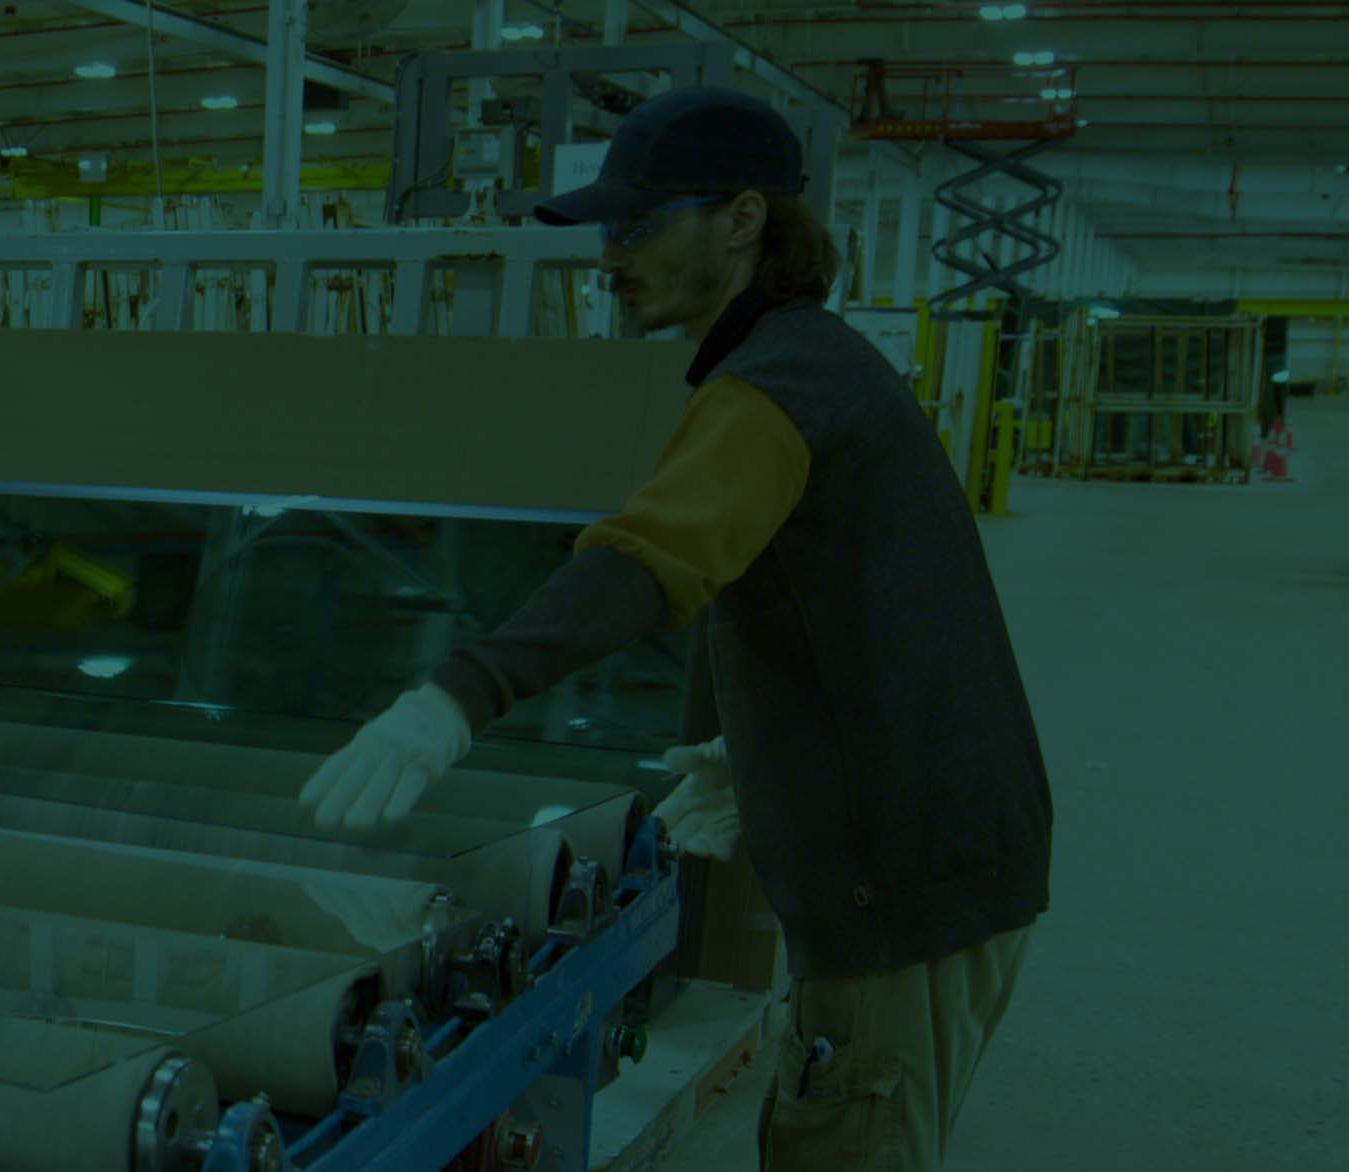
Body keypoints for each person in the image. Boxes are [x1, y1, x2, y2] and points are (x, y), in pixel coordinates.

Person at [289, 87, 1052, 1172]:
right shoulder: (815, 362)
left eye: (637, 223)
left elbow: (652, 559)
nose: (609, 255)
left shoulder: (778, 385)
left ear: (742, 219)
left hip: (906, 889)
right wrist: (773, 753)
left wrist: (457, 695)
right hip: (939, 856)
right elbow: (863, 608)